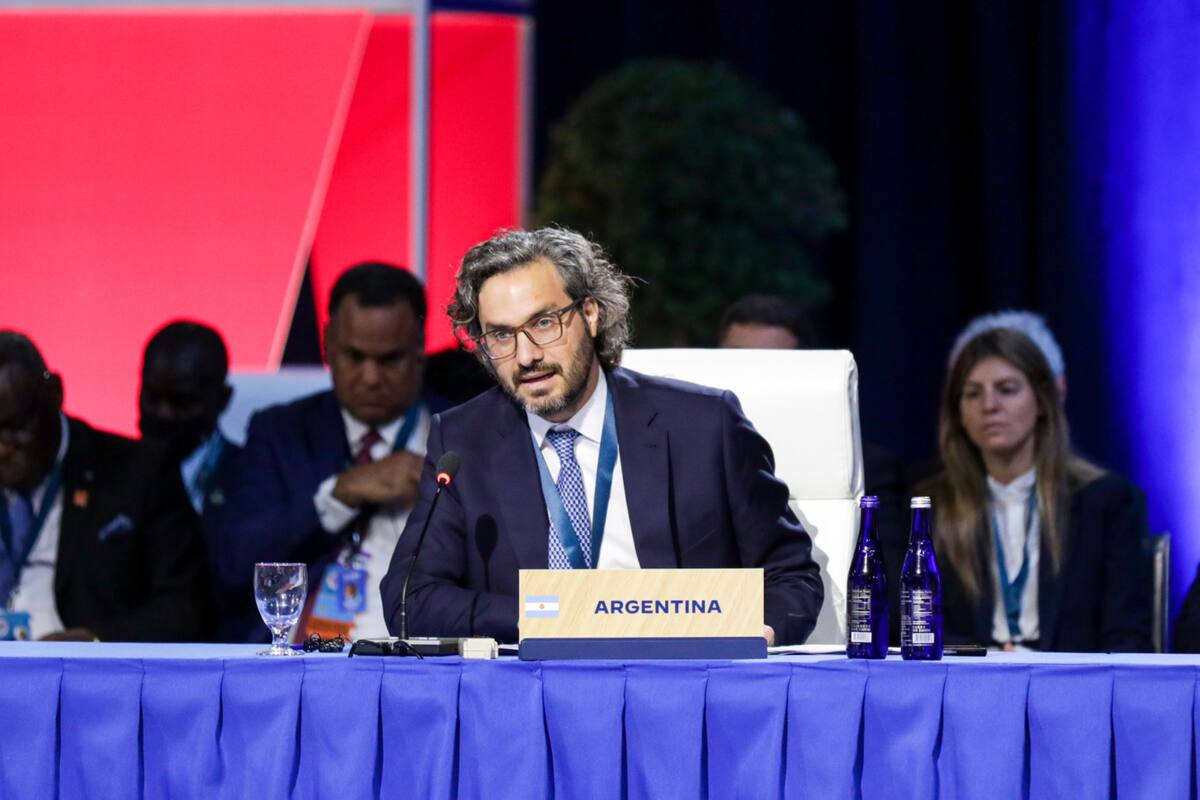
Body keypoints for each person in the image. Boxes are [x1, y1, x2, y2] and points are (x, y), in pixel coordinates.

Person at [380, 228, 824, 645]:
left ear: (589, 314)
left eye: (544, 323)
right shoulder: (463, 442)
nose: (527, 356)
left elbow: (791, 578)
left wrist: (758, 633)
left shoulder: (704, 427)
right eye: (500, 335)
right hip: (532, 693)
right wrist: (556, 614)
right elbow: (409, 600)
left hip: (680, 684)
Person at [218, 262, 438, 641]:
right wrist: (339, 494)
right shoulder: (280, 432)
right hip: (300, 663)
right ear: (327, 345)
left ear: (419, 349)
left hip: (425, 659)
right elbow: (235, 564)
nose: (371, 378)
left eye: (389, 360)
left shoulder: (463, 433)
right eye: (355, 357)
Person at [924, 321, 1152, 651]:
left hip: (1075, 690)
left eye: (1007, 389)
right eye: (973, 393)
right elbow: (914, 626)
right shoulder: (929, 506)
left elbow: (1127, 636)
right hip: (970, 687)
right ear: (957, 412)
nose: (989, 406)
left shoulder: (1105, 502)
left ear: (1044, 400)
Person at [717, 293, 910, 644]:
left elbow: (892, 599)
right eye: (737, 365)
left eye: (771, 370)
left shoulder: (870, 468)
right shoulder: (695, 462)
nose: (749, 383)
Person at [0, 331, 212, 641]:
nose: (2, 449)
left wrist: (95, 642)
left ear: (54, 393)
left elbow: (187, 607)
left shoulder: (138, 471)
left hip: (83, 676)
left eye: (15, 428)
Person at [138, 320, 247, 640]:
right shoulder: (108, 477)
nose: (163, 414)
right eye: (152, 397)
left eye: (183, 402)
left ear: (223, 399)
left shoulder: (254, 475)